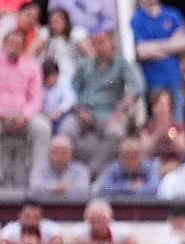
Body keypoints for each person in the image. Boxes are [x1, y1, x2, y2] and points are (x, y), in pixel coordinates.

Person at [61, 26, 143, 178]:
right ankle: (69, 172)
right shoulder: (85, 64)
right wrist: (79, 109)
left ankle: (90, 172)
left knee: (116, 133)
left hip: (109, 112)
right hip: (84, 112)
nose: (99, 46)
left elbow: (136, 88)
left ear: (111, 42)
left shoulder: (122, 64)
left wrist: (120, 111)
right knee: (66, 130)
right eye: (95, 43)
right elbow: (71, 89)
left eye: (102, 41)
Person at [0, 29, 51, 185]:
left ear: (23, 47)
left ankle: (38, 176)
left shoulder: (32, 66)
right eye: (11, 43)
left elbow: (36, 97)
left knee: (43, 128)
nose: (14, 46)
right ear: (4, 44)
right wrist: (0, 113)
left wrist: (25, 116)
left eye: (18, 44)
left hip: (23, 115)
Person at [130, 0, 185, 120]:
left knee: (177, 126)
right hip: (152, 83)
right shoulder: (136, 19)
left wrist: (154, 47)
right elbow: (141, 51)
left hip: (174, 81)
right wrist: (171, 44)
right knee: (155, 124)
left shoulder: (172, 14)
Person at [27, 133, 90, 200]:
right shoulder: (39, 168)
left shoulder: (80, 169)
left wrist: (50, 190)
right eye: (55, 152)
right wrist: (55, 187)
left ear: (71, 154)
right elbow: (34, 190)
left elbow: (83, 192)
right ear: (49, 153)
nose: (59, 156)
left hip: (71, 208)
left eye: (64, 152)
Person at [95, 136, 160, 197]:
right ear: (120, 157)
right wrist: (129, 186)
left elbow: (154, 189)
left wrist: (121, 190)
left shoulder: (149, 168)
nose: (130, 161)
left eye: (134, 157)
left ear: (141, 157)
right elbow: (103, 189)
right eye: (126, 157)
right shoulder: (113, 168)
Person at [68, 197, 138, 244]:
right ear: (87, 221)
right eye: (93, 220)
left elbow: (133, 243)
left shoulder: (120, 230)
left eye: (102, 220)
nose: (97, 224)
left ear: (110, 219)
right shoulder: (80, 230)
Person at [0, 200, 64, 244]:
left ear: (42, 218)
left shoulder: (50, 226)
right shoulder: (11, 228)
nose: (31, 221)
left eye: (36, 217)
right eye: (27, 217)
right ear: (20, 216)